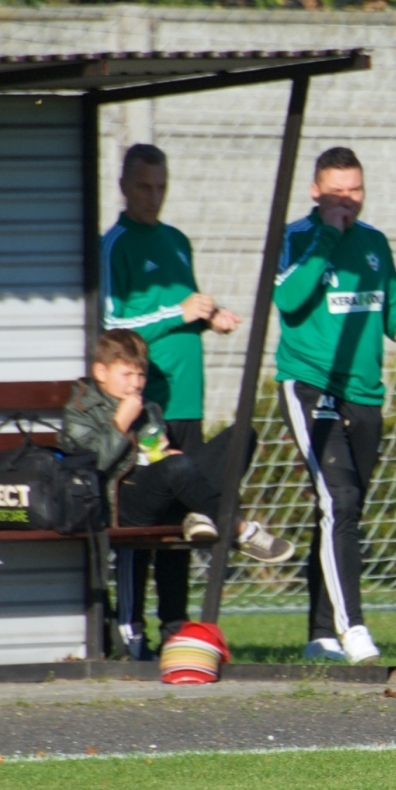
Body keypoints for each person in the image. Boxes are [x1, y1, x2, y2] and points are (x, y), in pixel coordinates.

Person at [100, 146, 293, 658]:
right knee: (144, 525)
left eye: (161, 187)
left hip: (188, 405)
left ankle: (175, 626)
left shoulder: (177, 241)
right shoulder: (114, 245)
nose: (153, 197)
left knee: (188, 524)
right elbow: (111, 324)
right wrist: (177, 311)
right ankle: (131, 627)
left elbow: (182, 310)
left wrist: (210, 316)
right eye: (144, 187)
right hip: (145, 411)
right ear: (123, 185)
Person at [273, 146, 396, 666]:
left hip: (364, 394)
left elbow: (391, 301)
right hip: (311, 385)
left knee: (341, 511)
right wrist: (326, 241)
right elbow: (289, 301)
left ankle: (320, 634)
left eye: (355, 190)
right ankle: (353, 627)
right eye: (337, 191)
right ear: (316, 192)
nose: (347, 200)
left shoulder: (374, 244)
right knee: (339, 501)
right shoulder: (298, 238)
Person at [61, 331, 293, 608]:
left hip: (159, 488)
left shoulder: (148, 407)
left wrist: (161, 452)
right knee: (178, 466)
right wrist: (120, 424)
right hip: (121, 499)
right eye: (127, 374)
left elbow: (153, 449)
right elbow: (91, 467)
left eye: (141, 375)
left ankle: (200, 514)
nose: (135, 384)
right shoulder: (81, 410)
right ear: (101, 371)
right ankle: (236, 527)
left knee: (240, 435)